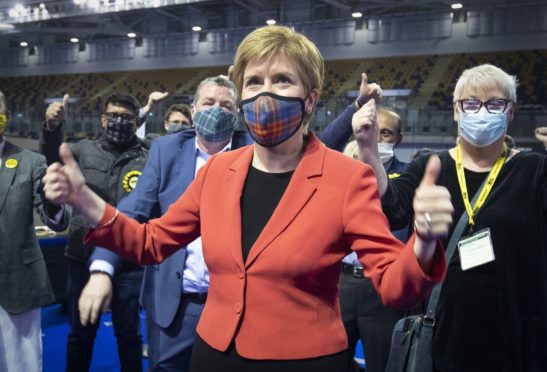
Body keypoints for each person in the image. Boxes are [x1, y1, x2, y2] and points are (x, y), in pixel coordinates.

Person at [43, 25, 453, 372]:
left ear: (310, 99)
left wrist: (424, 241)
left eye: (282, 80)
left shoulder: (348, 178)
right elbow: (151, 243)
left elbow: (396, 288)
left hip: (302, 360)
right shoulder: (220, 170)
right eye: (254, 81)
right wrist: (86, 202)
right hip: (213, 354)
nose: (265, 93)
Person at [80, 70, 381, 372]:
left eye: (225, 106)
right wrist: (102, 268)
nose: (216, 110)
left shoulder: (260, 148)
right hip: (176, 304)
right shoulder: (167, 150)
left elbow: (319, 144)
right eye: (208, 102)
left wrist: (354, 108)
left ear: (238, 114)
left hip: (243, 309)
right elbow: (135, 212)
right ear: (194, 110)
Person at [355, 63, 547, 371]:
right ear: (457, 110)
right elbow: (392, 208)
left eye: (495, 103)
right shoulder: (431, 165)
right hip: (444, 332)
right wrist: (368, 150)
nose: (482, 111)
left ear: (510, 112)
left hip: (520, 336)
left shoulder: (536, 170)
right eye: (471, 103)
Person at [40, 93, 149, 372]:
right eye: (114, 116)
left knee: (129, 336)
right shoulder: (83, 150)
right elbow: (54, 159)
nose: (119, 122)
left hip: (129, 261)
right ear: (103, 119)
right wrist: (52, 130)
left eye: (126, 117)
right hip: (82, 256)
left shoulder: (149, 156)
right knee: (80, 334)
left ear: (137, 121)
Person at [0, 90, 68, 371]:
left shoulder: (30, 162)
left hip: (18, 285)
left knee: (20, 366)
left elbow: (55, 219)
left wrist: (55, 197)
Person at [340, 107, 410, 372]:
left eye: (386, 133)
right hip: (342, 281)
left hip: (383, 285)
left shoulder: (406, 177)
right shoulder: (342, 170)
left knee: (383, 362)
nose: (377, 138)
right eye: (372, 129)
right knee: (332, 358)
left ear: (398, 139)